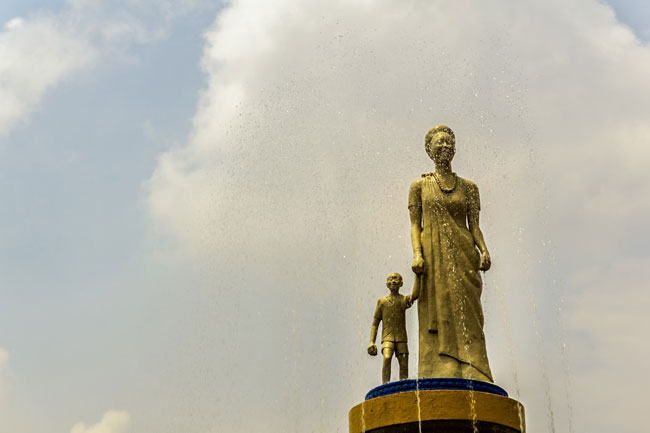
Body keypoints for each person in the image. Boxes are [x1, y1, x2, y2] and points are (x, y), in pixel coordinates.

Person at [408, 125, 493, 382]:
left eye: (448, 143)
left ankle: (475, 367)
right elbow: (414, 225)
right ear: (429, 150)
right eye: (439, 143)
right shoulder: (419, 186)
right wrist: (417, 254)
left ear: (454, 149)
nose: (444, 146)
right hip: (432, 256)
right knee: (437, 305)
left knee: (470, 312)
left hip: (464, 253)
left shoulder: (469, 188)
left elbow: (474, 226)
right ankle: (440, 365)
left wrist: (484, 249)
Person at [367, 272, 421, 384]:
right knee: (387, 357)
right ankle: (385, 384)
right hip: (388, 337)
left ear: (401, 283)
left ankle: (404, 385)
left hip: (401, 337)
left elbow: (415, 295)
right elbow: (375, 323)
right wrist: (372, 342)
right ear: (387, 284)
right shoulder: (382, 302)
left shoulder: (403, 300)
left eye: (396, 279)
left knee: (404, 361)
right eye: (390, 279)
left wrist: (418, 276)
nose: (393, 281)